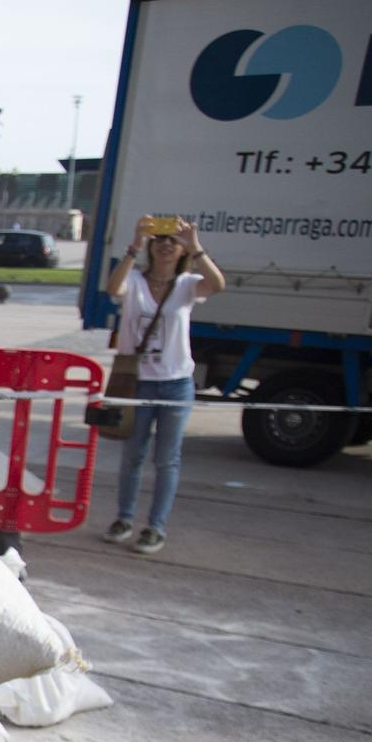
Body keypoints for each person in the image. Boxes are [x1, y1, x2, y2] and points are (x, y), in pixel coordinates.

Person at [99, 215, 224, 556]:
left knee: (167, 459)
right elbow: (114, 288)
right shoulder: (136, 282)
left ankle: (155, 526)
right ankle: (124, 518)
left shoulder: (187, 285)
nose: (166, 244)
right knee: (132, 455)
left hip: (175, 384)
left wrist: (196, 247)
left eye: (173, 239)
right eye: (160, 239)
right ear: (151, 246)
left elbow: (217, 284)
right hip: (136, 384)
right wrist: (133, 245)